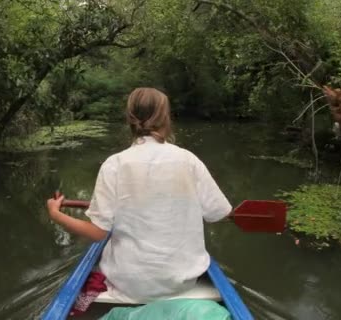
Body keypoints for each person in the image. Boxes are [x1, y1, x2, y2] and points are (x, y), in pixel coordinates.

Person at [46, 87, 232, 303]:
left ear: (129, 119)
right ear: (166, 118)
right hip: (181, 283)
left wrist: (55, 214)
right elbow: (219, 213)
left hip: (129, 284)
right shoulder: (189, 160)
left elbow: (98, 233)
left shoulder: (114, 164)